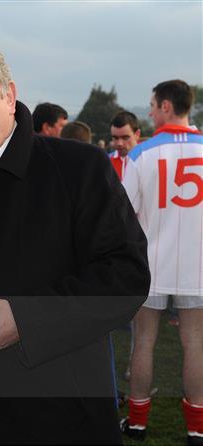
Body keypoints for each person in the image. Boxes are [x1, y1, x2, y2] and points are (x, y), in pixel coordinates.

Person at [0, 39, 149, 444]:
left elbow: (126, 276)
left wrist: (28, 321)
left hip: (63, 418)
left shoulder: (77, 168)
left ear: (9, 95)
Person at [121, 79, 203, 445]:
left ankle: (137, 424)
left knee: (144, 343)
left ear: (167, 106)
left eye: (153, 105)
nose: (151, 111)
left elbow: (123, 215)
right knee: (196, 343)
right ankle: (197, 428)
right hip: (197, 265)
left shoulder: (141, 153)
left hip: (150, 263)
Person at [109, 111, 141, 181]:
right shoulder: (106, 163)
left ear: (137, 134)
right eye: (115, 138)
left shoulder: (147, 160)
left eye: (125, 138)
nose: (119, 143)